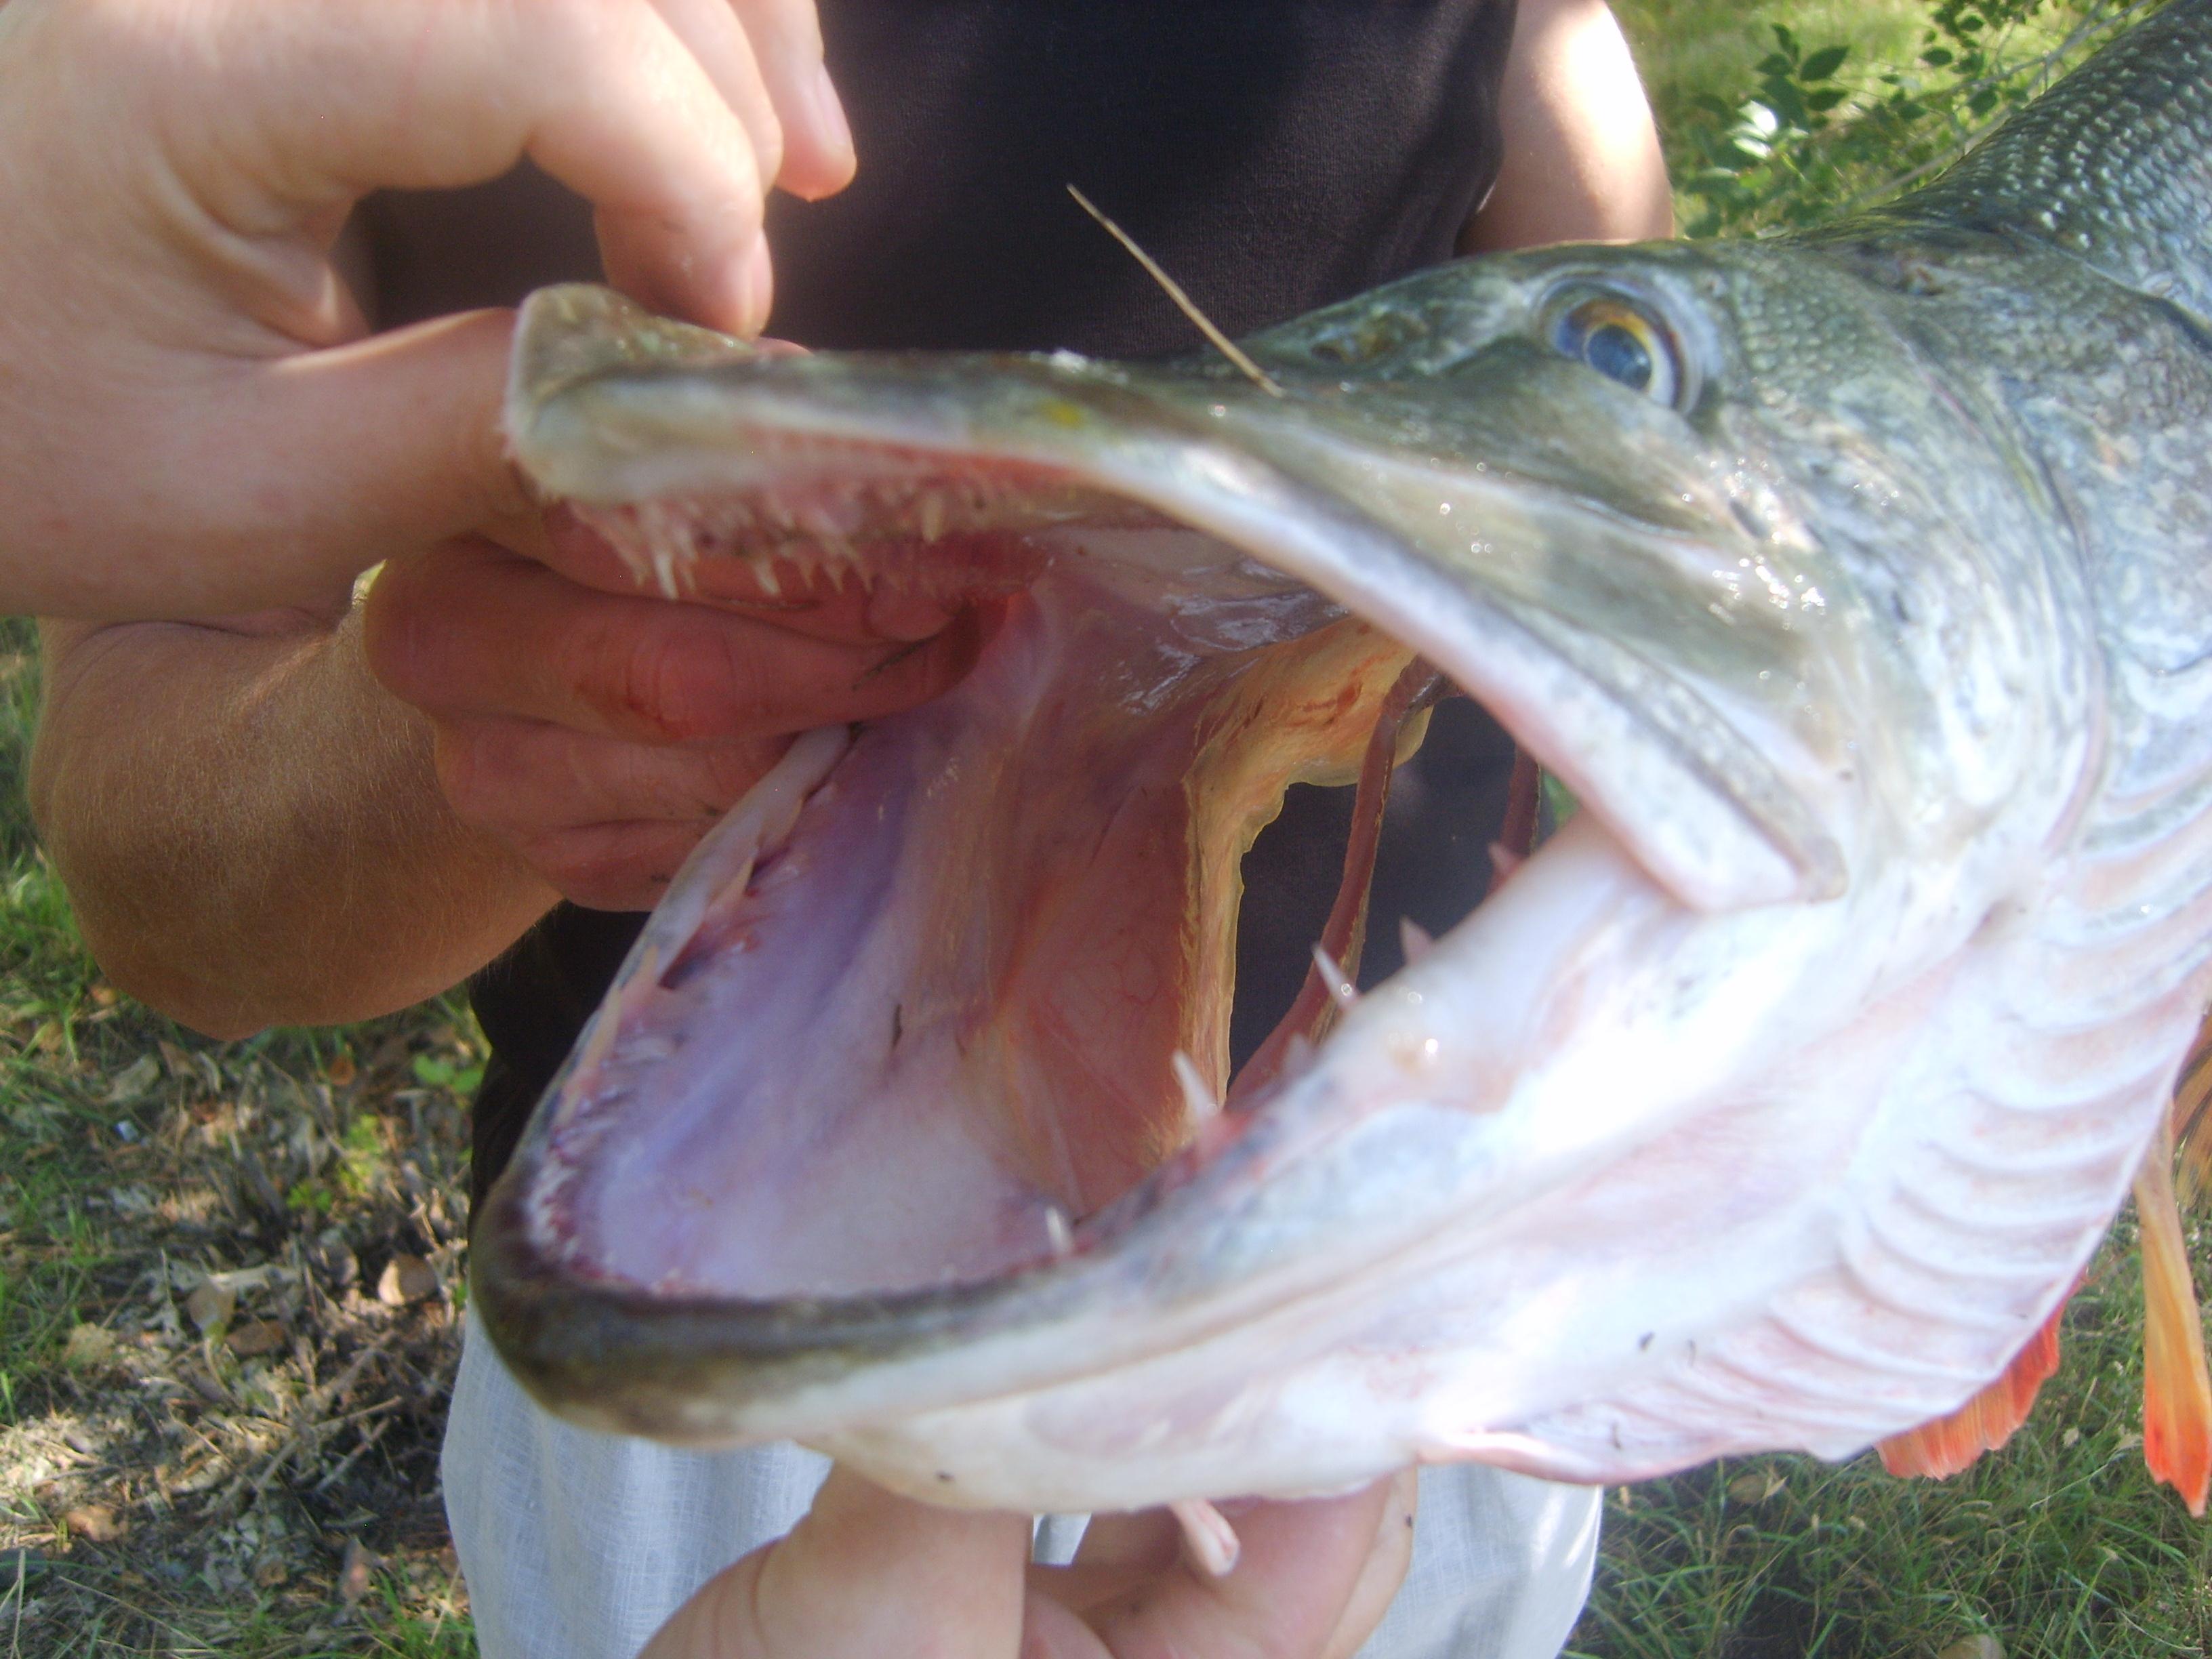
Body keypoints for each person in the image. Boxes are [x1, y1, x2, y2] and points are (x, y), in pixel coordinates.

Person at [18, 0, 1671, 1653]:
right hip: (739, 1297)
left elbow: (1629, 432)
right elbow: (160, 882)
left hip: (1432, 1238)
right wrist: (511, 697)